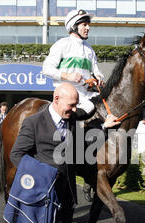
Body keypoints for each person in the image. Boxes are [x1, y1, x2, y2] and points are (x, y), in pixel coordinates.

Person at [10, 83, 119, 223]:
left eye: (75, 105)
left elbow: (82, 139)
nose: (73, 109)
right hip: (45, 189)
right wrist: (39, 176)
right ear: (56, 99)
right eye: (70, 105)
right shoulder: (34, 123)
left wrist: (104, 127)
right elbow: (17, 154)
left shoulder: (70, 118)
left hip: (67, 187)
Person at [43, 9, 118, 201]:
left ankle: (89, 167)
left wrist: (99, 78)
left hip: (86, 95)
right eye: (84, 24)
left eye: (88, 24)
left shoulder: (89, 50)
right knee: (87, 113)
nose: (88, 27)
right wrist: (67, 75)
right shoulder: (62, 45)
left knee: (104, 114)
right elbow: (46, 68)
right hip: (66, 94)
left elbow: (96, 71)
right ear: (74, 26)